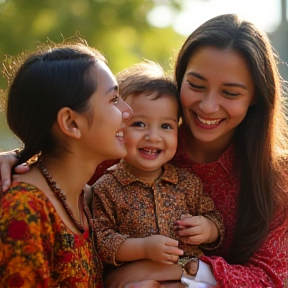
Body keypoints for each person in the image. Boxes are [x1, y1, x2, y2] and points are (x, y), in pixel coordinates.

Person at [1, 13, 288, 287]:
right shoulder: (132, 148)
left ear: (256, 97)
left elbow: (272, 279)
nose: (208, 106)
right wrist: (18, 156)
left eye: (230, 93)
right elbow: (67, 145)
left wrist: (184, 272)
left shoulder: (277, 180)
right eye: (196, 85)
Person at [0, 39, 132, 287]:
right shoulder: (25, 209)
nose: (128, 111)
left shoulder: (86, 196)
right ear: (71, 123)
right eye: (114, 100)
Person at [92, 61, 224, 287]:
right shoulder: (107, 187)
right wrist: (143, 248)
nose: (154, 136)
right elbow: (101, 240)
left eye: (166, 126)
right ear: (118, 128)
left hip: (190, 275)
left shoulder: (187, 183)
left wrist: (207, 229)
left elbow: (215, 218)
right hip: (136, 275)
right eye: (140, 124)